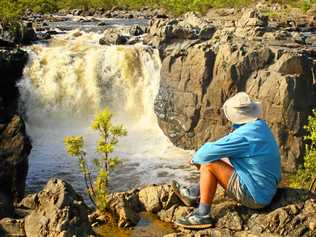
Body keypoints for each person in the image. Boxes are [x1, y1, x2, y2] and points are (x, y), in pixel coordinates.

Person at [173, 92, 281, 229]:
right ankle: (195, 191)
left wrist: (195, 159)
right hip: (267, 190)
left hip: (256, 196)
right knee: (221, 157)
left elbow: (205, 154)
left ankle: (202, 215)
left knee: (209, 164)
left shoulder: (244, 135)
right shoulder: (260, 127)